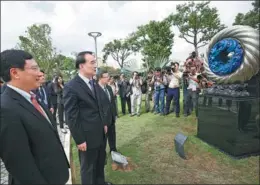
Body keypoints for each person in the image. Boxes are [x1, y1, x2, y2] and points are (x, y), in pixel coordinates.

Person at [0, 49, 69, 184]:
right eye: (34, 68)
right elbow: (19, 163)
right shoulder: (5, 109)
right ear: (15, 73)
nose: (40, 73)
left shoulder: (32, 97)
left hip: (55, 176)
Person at [63, 51, 111, 185]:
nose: (96, 65)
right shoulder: (71, 86)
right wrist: (80, 140)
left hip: (100, 133)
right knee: (88, 168)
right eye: (92, 62)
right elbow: (71, 116)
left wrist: (104, 124)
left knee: (100, 163)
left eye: (95, 62)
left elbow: (99, 105)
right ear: (81, 66)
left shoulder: (93, 83)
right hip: (87, 138)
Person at [97, 70, 118, 153]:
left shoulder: (108, 87)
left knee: (112, 135)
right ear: (100, 78)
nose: (108, 78)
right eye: (106, 77)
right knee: (103, 138)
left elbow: (112, 102)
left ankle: (113, 150)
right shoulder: (96, 90)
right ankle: (103, 154)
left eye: (108, 76)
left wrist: (115, 114)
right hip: (102, 119)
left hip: (111, 117)